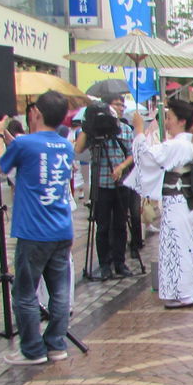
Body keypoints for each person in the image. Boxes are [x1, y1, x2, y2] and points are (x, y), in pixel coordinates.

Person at [0, 91, 75, 367]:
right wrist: (7, 136)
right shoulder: (65, 145)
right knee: (59, 292)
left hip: (34, 231)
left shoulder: (26, 144)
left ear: (36, 113)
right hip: (61, 229)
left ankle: (32, 349)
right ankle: (56, 344)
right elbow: (32, 153)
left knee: (24, 292)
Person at [120, 99, 193, 308]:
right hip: (183, 199)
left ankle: (183, 293)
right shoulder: (182, 143)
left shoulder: (177, 144)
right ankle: (191, 290)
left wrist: (139, 131)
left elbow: (147, 157)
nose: (166, 122)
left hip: (178, 199)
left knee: (177, 245)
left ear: (181, 121)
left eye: (169, 118)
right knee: (186, 245)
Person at [75, 95, 136, 281]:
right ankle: (104, 265)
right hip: (101, 185)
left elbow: (133, 154)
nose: (120, 108)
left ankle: (120, 262)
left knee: (120, 225)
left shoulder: (125, 129)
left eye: (122, 105)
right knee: (102, 227)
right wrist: (89, 126)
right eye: (117, 104)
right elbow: (78, 149)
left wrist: (121, 167)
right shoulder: (93, 131)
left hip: (121, 184)